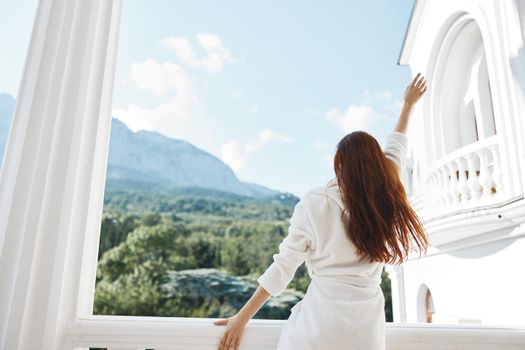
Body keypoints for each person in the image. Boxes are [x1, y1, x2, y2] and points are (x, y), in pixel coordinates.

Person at [213, 73, 430, 350]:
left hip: (317, 330)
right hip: (366, 334)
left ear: (340, 165)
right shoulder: (384, 197)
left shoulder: (316, 202)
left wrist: (241, 318)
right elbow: (396, 146)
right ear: (376, 164)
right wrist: (408, 105)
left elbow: (283, 267)